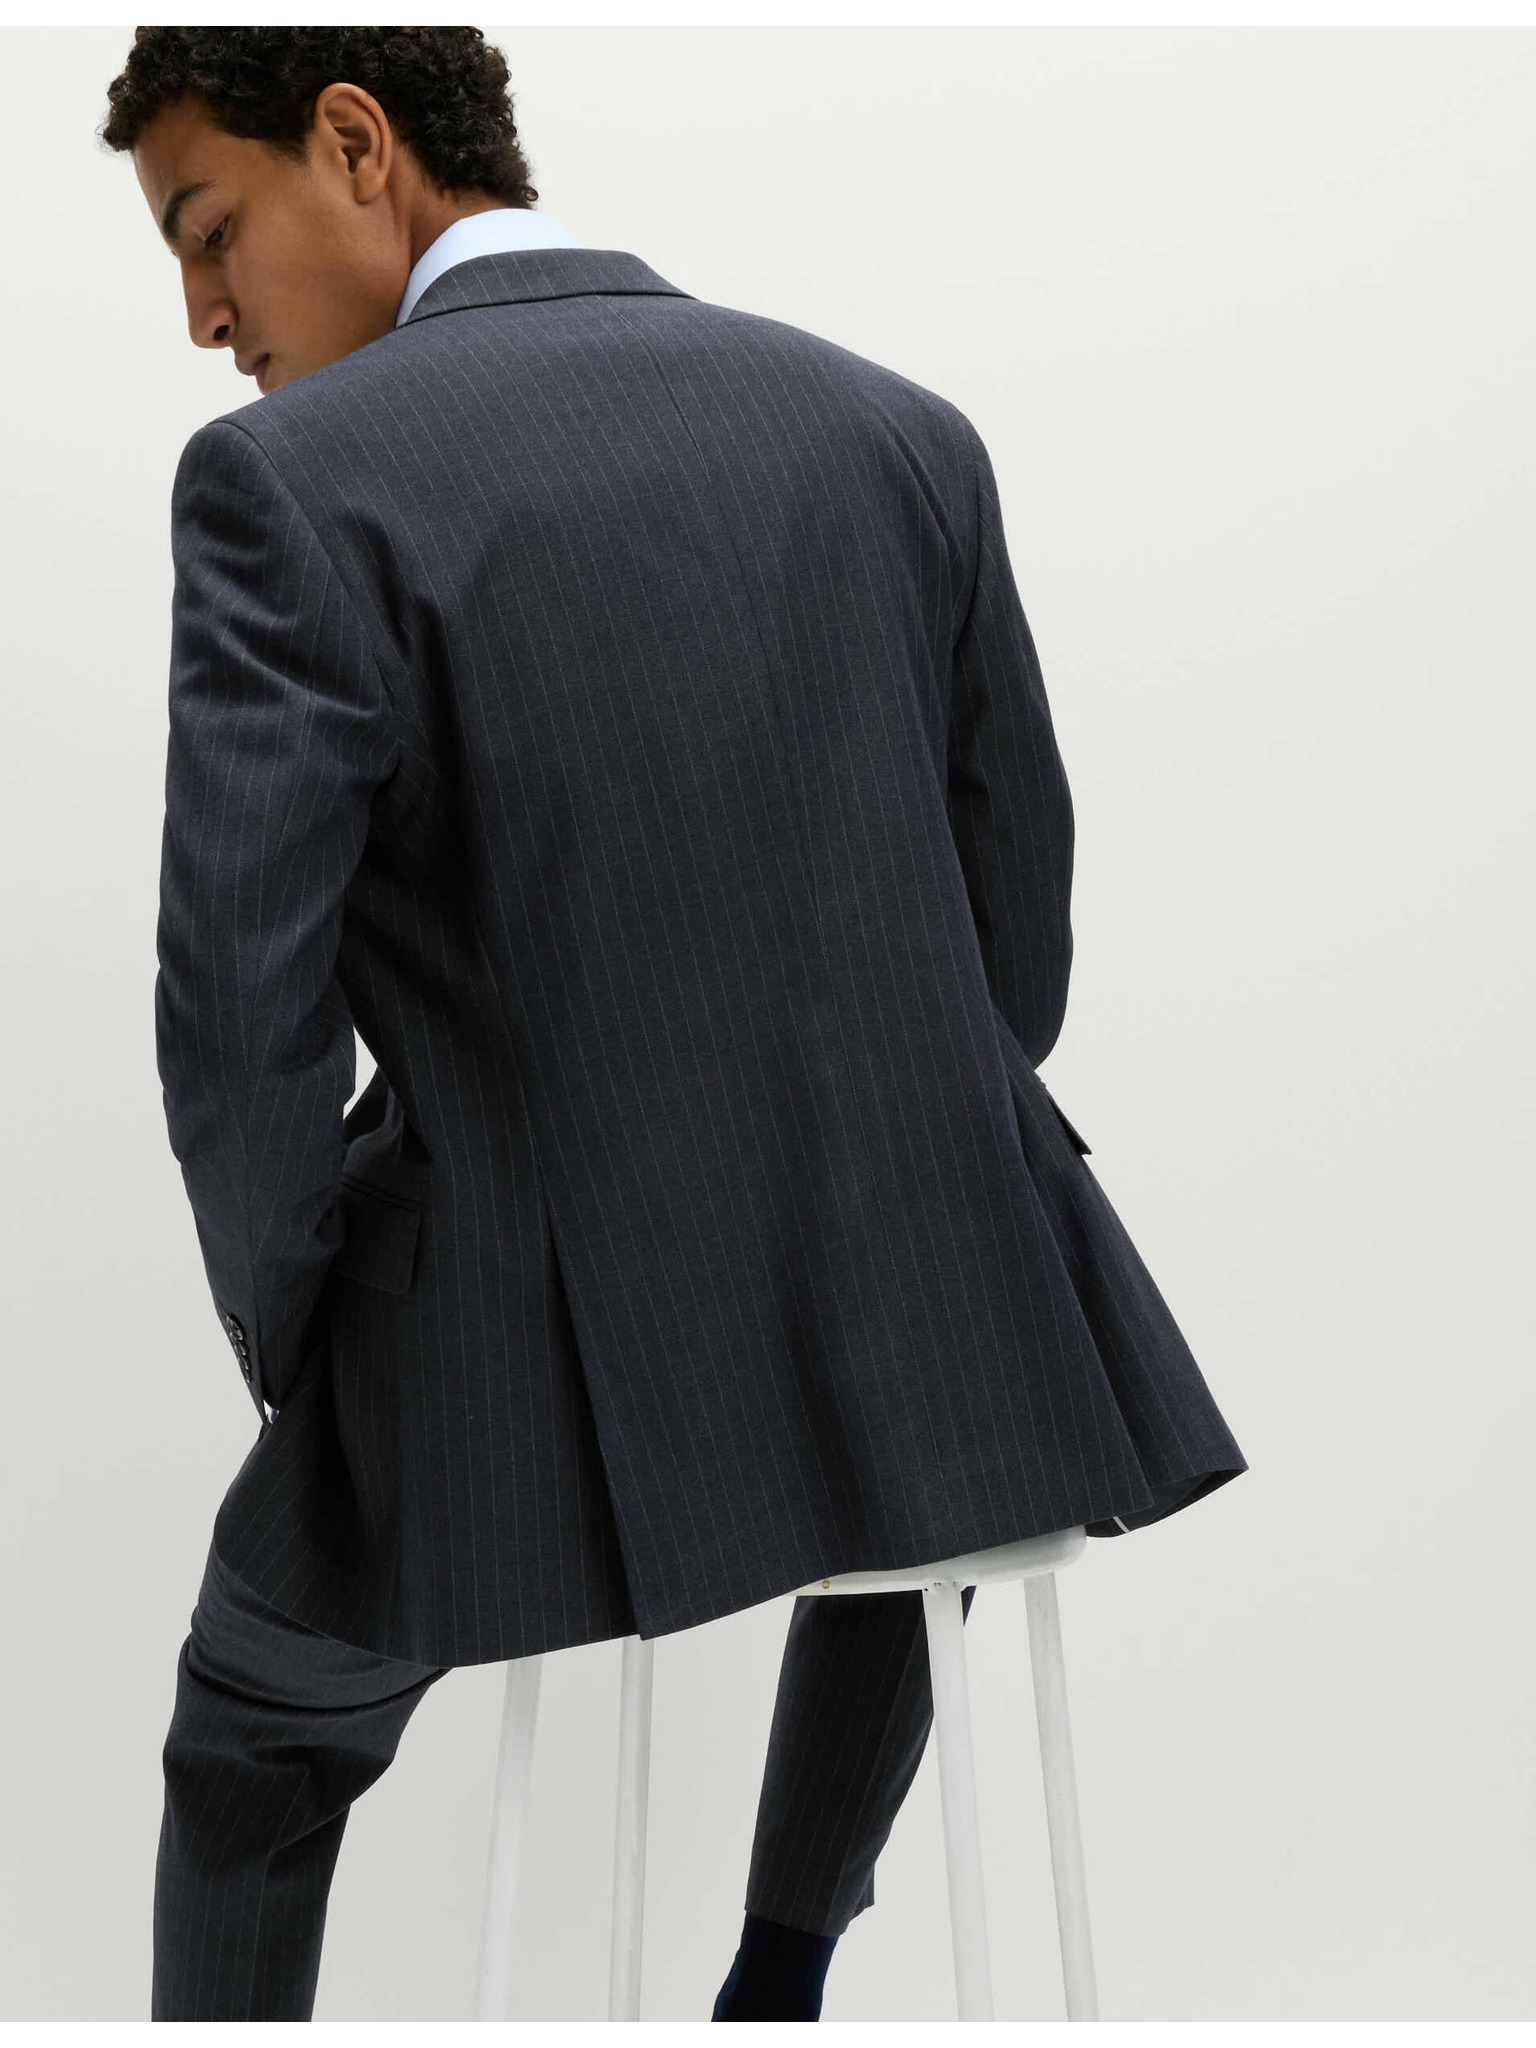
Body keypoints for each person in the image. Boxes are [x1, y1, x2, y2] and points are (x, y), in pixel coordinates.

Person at [101, 27, 1248, 2022]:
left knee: (253, 1740)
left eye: (210, 232)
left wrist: (303, 1343)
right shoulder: (898, 431)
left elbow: (239, 1020)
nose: (202, 318)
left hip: (500, 1358)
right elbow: (1016, 947)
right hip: (929, 1309)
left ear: (357, 146)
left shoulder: (288, 484)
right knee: (939, 1409)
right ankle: (777, 1979)